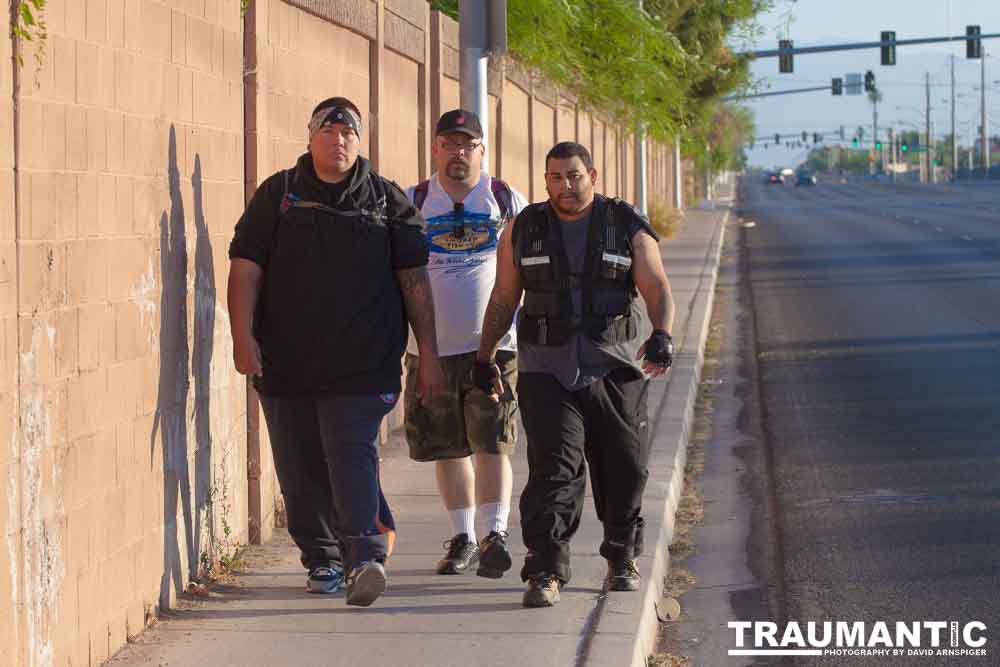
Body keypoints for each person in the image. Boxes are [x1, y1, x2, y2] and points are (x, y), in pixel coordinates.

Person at [227, 97, 444, 607]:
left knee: (350, 455)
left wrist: (428, 353)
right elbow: (245, 269)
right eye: (329, 129)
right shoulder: (278, 195)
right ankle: (322, 556)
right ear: (311, 136)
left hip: (364, 364)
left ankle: (365, 557)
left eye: (349, 132)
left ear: (359, 141)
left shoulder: (388, 201)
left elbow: (415, 284)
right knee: (300, 466)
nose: (339, 139)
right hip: (286, 361)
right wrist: (243, 336)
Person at [474, 141, 676, 608]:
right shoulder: (525, 228)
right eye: (555, 178)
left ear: (593, 175)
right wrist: (484, 356)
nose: (565, 186)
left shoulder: (624, 222)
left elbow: (655, 282)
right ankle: (545, 569)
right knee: (553, 470)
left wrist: (663, 333)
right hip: (548, 370)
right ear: (545, 181)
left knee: (623, 466)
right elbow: (505, 296)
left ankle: (622, 557)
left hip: (614, 367)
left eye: (574, 176)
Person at [403, 110, 528, 578]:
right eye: (449, 144)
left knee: (493, 439)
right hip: (429, 349)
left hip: (492, 348)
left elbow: (523, 266)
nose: (458, 152)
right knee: (448, 446)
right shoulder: (414, 200)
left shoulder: (504, 198)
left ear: (482, 149)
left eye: (467, 144)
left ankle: (496, 532)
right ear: (435, 148)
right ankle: (464, 538)